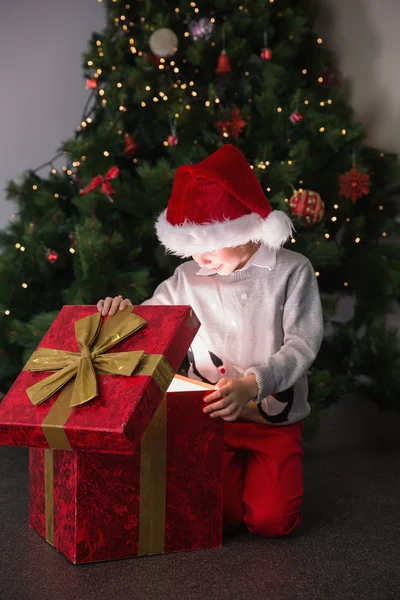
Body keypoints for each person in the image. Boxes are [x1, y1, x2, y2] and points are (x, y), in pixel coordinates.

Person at [97, 144, 324, 538]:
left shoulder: (291, 271)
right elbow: (152, 322)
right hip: (212, 422)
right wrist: (120, 316)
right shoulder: (187, 278)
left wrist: (253, 384)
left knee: (271, 522)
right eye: (190, 248)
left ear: (243, 226)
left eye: (208, 245)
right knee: (214, 516)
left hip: (274, 422)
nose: (200, 260)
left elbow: (303, 343)